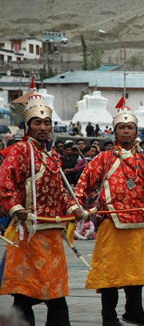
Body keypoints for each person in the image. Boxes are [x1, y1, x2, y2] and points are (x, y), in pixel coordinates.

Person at [75, 106, 144, 326]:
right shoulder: (103, 159)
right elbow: (82, 185)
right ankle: (108, 316)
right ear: (114, 131)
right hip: (111, 224)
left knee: (135, 271)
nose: (126, 131)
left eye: (130, 127)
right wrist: (77, 207)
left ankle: (134, 311)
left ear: (136, 132)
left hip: (137, 224)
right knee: (111, 272)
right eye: (122, 127)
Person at [0, 92, 83, 326]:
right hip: (29, 234)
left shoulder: (52, 155)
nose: (44, 127)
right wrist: (16, 208)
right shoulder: (20, 151)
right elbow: (5, 182)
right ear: (28, 126)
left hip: (52, 234)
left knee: (56, 294)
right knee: (25, 295)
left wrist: (74, 207)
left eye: (47, 123)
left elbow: (60, 191)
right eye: (38, 122)